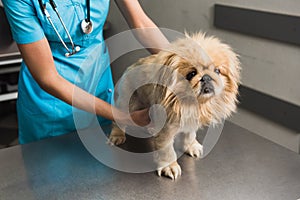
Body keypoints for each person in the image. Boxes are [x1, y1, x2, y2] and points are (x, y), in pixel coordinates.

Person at [2, 0, 169, 144]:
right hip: (52, 107)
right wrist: (122, 116)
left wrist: (179, 62)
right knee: (52, 175)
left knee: (102, 168)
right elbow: (48, 78)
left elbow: (141, 24)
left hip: (99, 89)